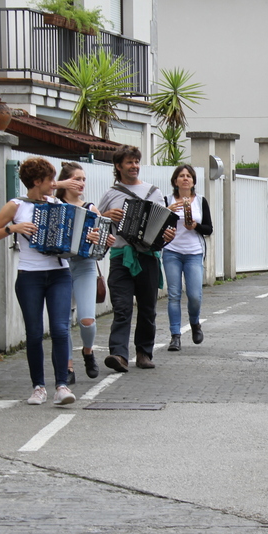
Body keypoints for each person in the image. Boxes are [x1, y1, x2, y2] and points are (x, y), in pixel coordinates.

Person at [0, 157, 76, 406]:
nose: (54, 184)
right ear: (36, 181)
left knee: (60, 329)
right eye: (50, 180)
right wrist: (13, 229)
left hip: (59, 273)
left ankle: (62, 386)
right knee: (34, 333)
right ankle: (38, 387)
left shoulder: (58, 204)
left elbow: (74, 235)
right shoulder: (16, 206)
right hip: (29, 276)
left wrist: (91, 236)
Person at [94, 146, 175, 372]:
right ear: (118, 166)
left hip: (148, 257)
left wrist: (168, 235)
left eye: (137, 162)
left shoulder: (154, 193)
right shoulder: (111, 194)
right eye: (129, 162)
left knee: (148, 308)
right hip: (121, 257)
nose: (134, 166)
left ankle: (144, 353)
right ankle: (119, 354)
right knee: (122, 307)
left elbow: (164, 226)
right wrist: (105, 215)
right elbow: (96, 223)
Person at [55, 161, 110, 384]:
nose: (81, 183)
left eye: (83, 179)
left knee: (87, 320)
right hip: (59, 266)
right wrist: (59, 184)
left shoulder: (90, 208)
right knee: (63, 321)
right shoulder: (54, 205)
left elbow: (102, 247)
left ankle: (88, 351)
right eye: (76, 179)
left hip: (85, 266)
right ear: (64, 181)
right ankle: (67, 366)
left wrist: (101, 240)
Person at [163, 164, 214, 351]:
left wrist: (195, 226)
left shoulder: (200, 201)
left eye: (189, 176)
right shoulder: (167, 200)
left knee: (194, 295)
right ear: (175, 181)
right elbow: (157, 225)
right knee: (174, 295)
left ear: (193, 181)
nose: (185, 179)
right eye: (181, 176)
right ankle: (175, 335)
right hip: (172, 252)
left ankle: (194, 322)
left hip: (194, 253)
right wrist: (167, 211)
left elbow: (209, 229)